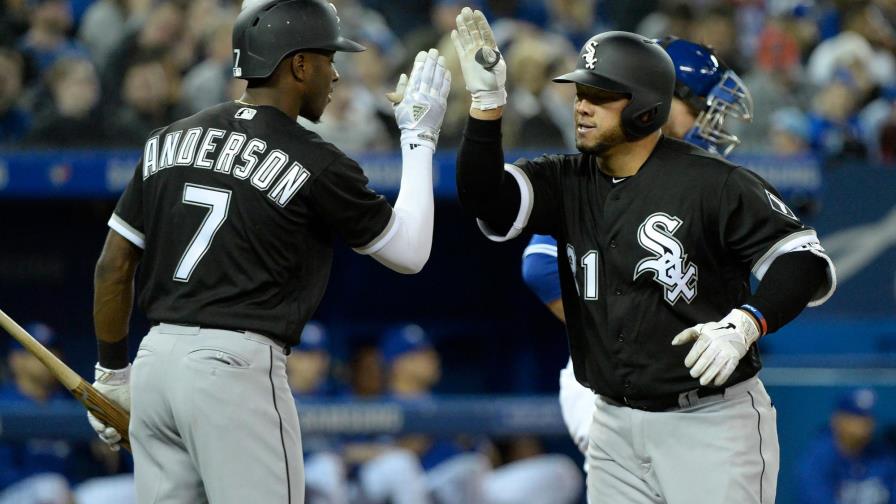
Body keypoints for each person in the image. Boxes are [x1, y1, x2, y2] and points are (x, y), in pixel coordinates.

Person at [452, 7, 836, 503]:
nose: (582, 107)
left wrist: (746, 322)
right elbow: (485, 196)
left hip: (709, 422)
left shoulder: (713, 181)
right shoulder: (566, 179)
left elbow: (801, 260)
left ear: (646, 108)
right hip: (614, 422)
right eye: (581, 94)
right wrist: (486, 105)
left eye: (601, 96)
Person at [86, 0, 451, 502]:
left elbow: (114, 264)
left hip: (155, 363)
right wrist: (419, 138)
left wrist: (111, 373)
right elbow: (410, 253)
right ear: (299, 65)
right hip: (235, 369)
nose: (336, 74)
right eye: (327, 59)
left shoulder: (167, 139)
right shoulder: (315, 157)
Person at [521, 37, 755, 454]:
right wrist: (622, 341)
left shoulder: (702, 178)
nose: (711, 120)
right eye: (701, 106)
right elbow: (538, 265)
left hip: (682, 388)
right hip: (609, 387)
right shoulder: (603, 167)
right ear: (657, 99)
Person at [796, 388, 896, 504]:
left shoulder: (884, 456)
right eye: (856, 417)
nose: (864, 424)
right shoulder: (818, 459)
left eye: (868, 417)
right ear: (837, 420)